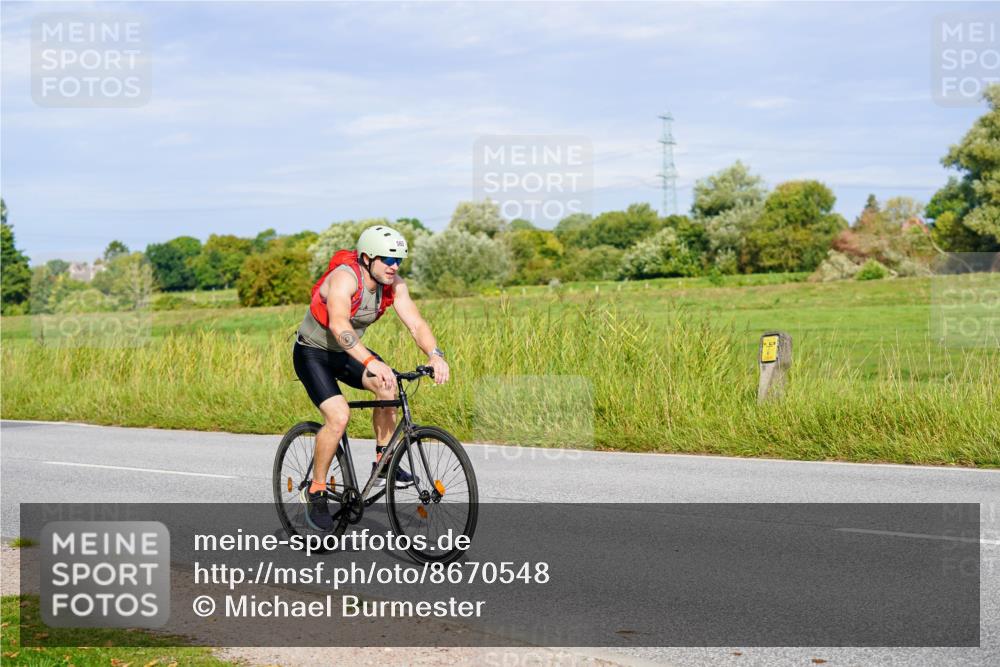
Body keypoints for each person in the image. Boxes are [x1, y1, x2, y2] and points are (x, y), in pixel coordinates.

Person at [292, 225, 449, 531]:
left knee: (388, 383)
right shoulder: (345, 278)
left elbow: (416, 324)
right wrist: (369, 361)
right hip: (313, 353)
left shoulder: (394, 284)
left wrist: (436, 354)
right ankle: (317, 490)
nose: (394, 266)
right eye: (388, 259)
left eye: (399, 260)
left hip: (346, 353)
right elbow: (339, 325)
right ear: (367, 258)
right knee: (338, 416)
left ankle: (384, 459)